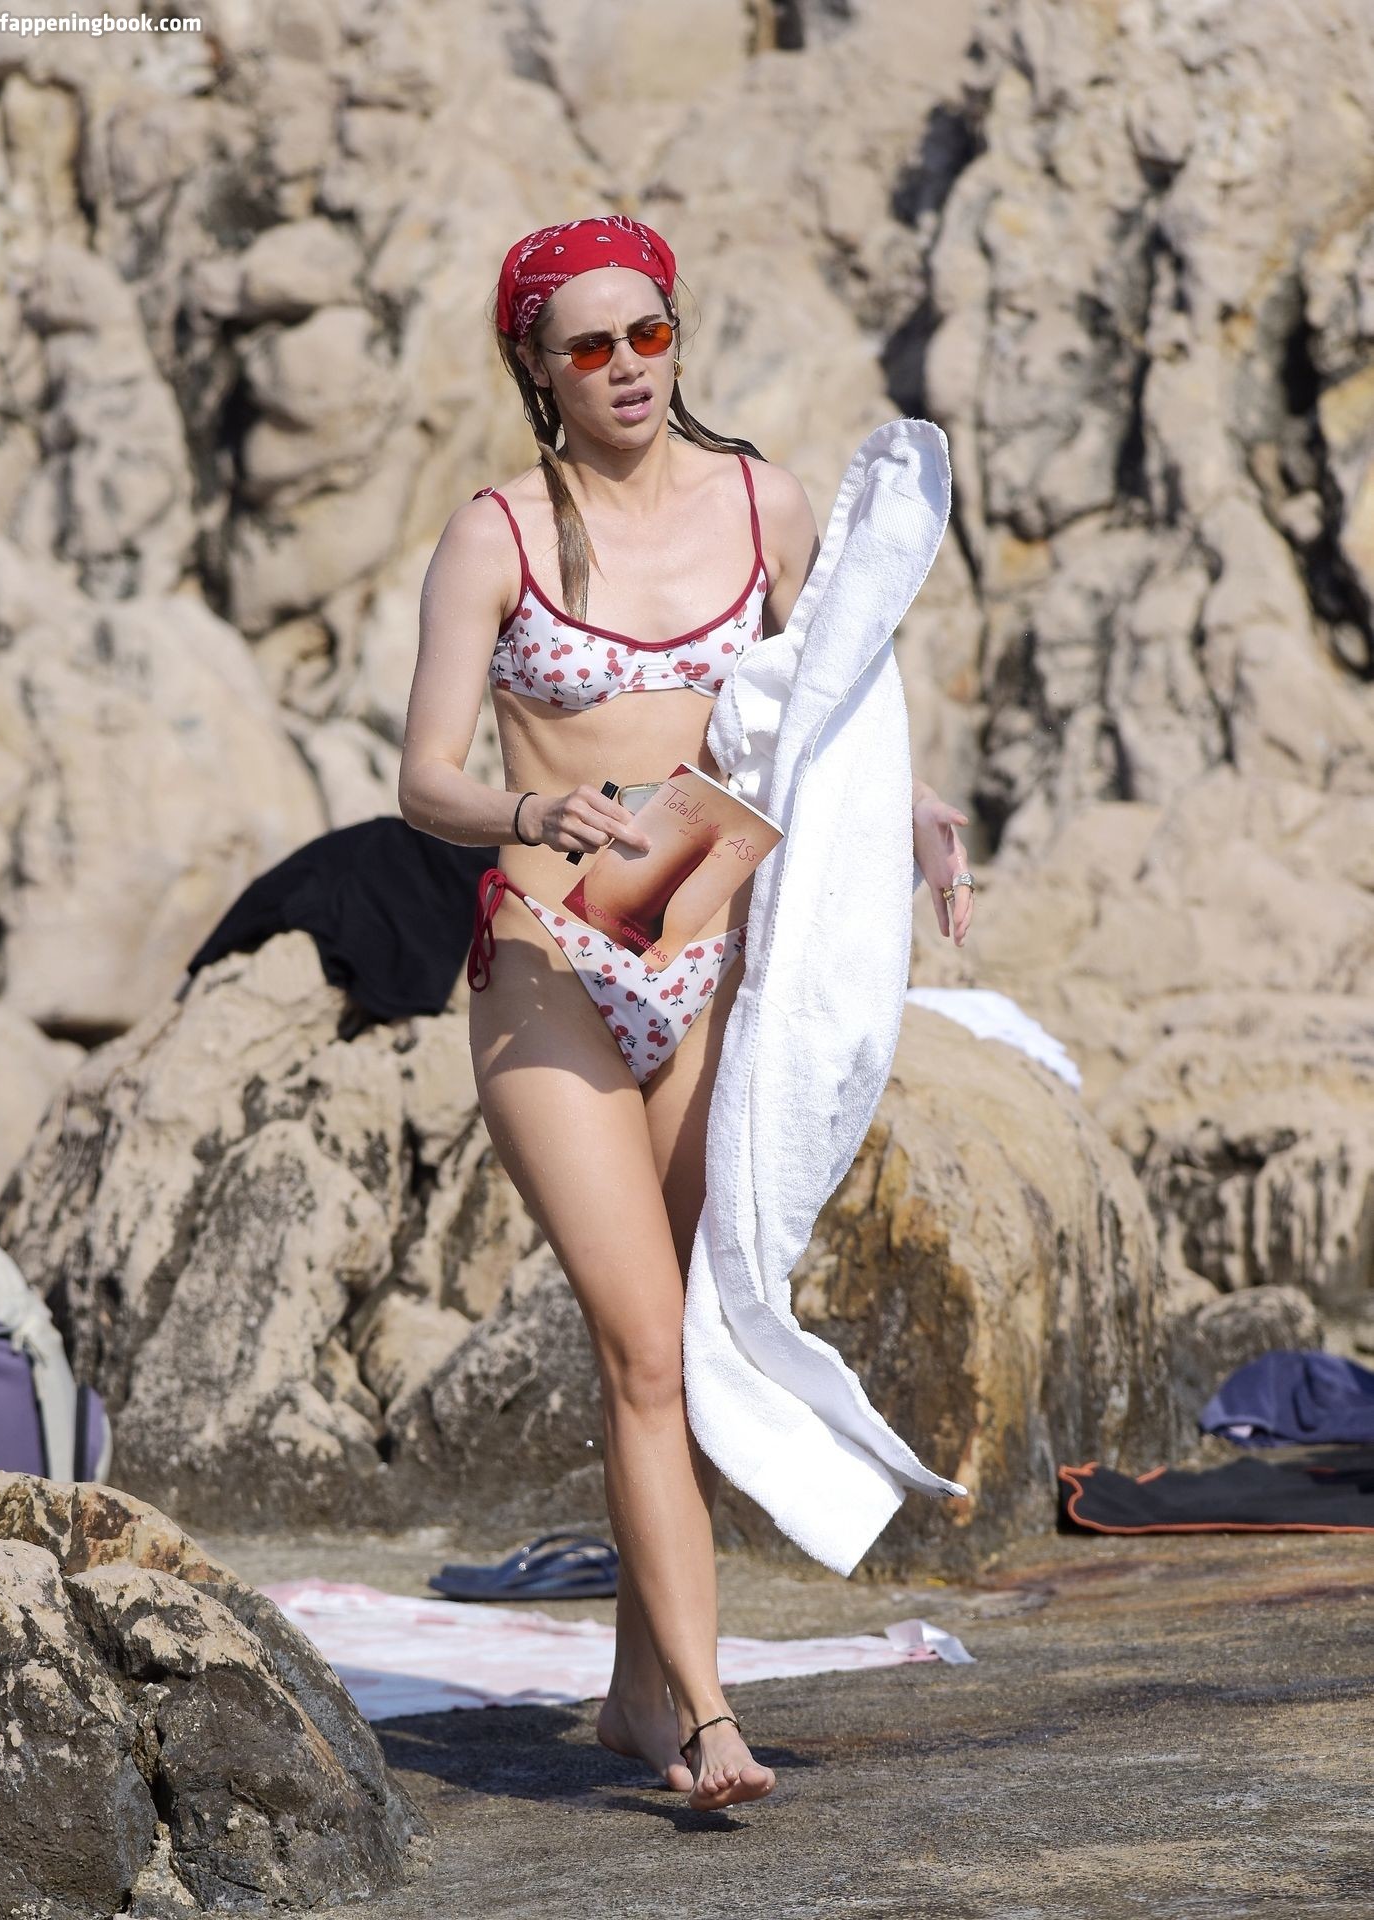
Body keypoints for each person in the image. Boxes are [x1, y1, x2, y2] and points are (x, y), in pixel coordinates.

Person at [398, 215, 976, 1813]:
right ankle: (712, 1722)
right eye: (589, 346)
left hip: (711, 961)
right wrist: (532, 813)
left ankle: (636, 1692)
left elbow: (826, 717)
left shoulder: (764, 503)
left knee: (684, 1342)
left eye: (648, 334)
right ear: (535, 365)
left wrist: (916, 814)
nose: (628, 368)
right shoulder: (496, 537)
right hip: (550, 968)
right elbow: (424, 777)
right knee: (644, 1344)